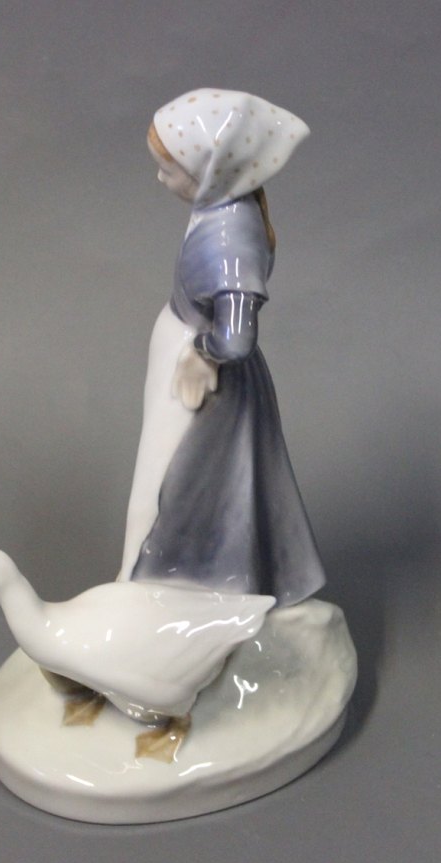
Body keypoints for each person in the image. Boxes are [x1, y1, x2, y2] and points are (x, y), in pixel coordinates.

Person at [118, 89, 324, 608]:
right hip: (185, 351)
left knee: (172, 479)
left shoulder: (228, 240)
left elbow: (236, 337)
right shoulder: (223, 210)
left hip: (202, 377)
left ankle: (163, 585)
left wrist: (202, 354)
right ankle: (173, 581)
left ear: (209, 173)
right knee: (212, 481)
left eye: (169, 169)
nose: (159, 178)